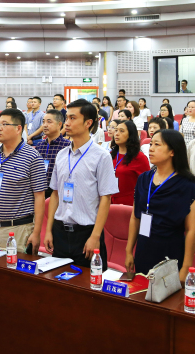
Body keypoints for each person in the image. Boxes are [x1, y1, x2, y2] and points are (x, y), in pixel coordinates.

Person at [44, 99, 117, 268]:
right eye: (67, 118)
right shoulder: (62, 155)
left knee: (89, 282)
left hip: (86, 232)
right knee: (58, 281)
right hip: (60, 231)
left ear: (88, 123)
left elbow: (105, 199)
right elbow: (55, 194)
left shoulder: (101, 156)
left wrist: (95, 236)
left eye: (72, 118)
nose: (67, 123)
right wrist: (48, 230)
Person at [125, 129, 195, 277]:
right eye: (151, 144)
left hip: (170, 252)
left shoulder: (187, 185)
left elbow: (191, 230)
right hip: (143, 248)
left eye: (157, 144)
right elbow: (135, 217)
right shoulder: (144, 178)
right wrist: (128, 251)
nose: (151, 148)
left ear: (172, 151)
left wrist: (186, 267)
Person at [0, 108, 46, 252]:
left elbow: (39, 197)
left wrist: (36, 233)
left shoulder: (32, 157)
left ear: (18, 129)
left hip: (18, 229)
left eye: (4, 124)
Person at [110, 120, 150, 206]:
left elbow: (146, 184)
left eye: (121, 131)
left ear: (130, 135)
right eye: (116, 130)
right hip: (108, 201)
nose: (117, 134)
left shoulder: (139, 158)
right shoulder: (110, 155)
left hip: (129, 203)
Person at [35, 109, 71, 198]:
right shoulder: (40, 145)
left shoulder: (67, 146)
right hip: (39, 190)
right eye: (43, 122)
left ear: (59, 124)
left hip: (58, 191)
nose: (45, 125)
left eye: (49, 122)